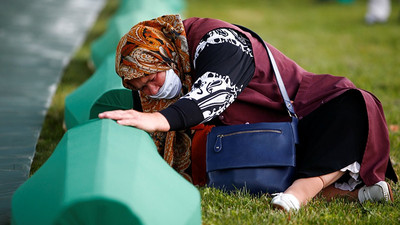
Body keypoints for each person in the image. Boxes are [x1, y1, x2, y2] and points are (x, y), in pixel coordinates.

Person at [98, 15, 397, 211]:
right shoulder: (166, 70)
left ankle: (296, 197)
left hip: (307, 113)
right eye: (140, 87)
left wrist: (159, 119)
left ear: (167, 55)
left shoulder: (219, 41)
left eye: (153, 78)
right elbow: (124, 109)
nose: (151, 92)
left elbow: (212, 93)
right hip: (258, 145)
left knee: (354, 105)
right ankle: (354, 195)